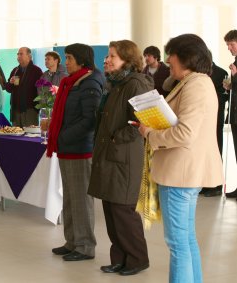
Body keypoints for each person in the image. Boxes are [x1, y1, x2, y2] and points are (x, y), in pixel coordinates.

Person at [138, 34, 223, 283]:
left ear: (186, 56)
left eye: (171, 55)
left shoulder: (196, 85)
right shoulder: (192, 82)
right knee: (185, 240)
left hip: (181, 173)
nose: (167, 61)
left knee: (178, 244)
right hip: (182, 171)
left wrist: (150, 133)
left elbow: (185, 133)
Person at [88, 40, 152, 276]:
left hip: (123, 155)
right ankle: (120, 257)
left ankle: (137, 258)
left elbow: (141, 121)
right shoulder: (115, 83)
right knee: (111, 209)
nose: (107, 60)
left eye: (113, 56)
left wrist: (115, 138)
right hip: (109, 154)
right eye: (108, 56)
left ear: (128, 59)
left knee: (124, 211)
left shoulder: (136, 83)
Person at [47, 43, 104, 262]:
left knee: (81, 199)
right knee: (70, 198)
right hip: (68, 147)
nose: (66, 62)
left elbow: (90, 120)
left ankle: (85, 246)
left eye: (69, 58)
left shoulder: (89, 83)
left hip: (80, 149)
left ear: (81, 60)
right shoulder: (72, 82)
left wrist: (63, 137)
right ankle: (72, 241)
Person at [200, 55, 228, 197]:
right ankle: (206, 184)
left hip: (216, 117)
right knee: (204, 151)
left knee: (216, 149)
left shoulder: (221, 72)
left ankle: (216, 185)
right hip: (203, 117)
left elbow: (224, 95)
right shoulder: (199, 73)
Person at [5, 47, 43, 127]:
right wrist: (10, 82)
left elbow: (41, 90)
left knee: (30, 136)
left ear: (29, 56)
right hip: (16, 110)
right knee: (15, 135)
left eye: (21, 54)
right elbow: (8, 89)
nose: (18, 56)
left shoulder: (36, 71)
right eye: (18, 54)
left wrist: (38, 108)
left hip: (30, 110)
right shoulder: (15, 70)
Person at [223, 30, 237, 199]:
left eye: (231, 44)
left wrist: (235, 76)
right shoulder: (235, 61)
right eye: (227, 45)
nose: (229, 48)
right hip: (234, 114)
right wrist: (230, 84)